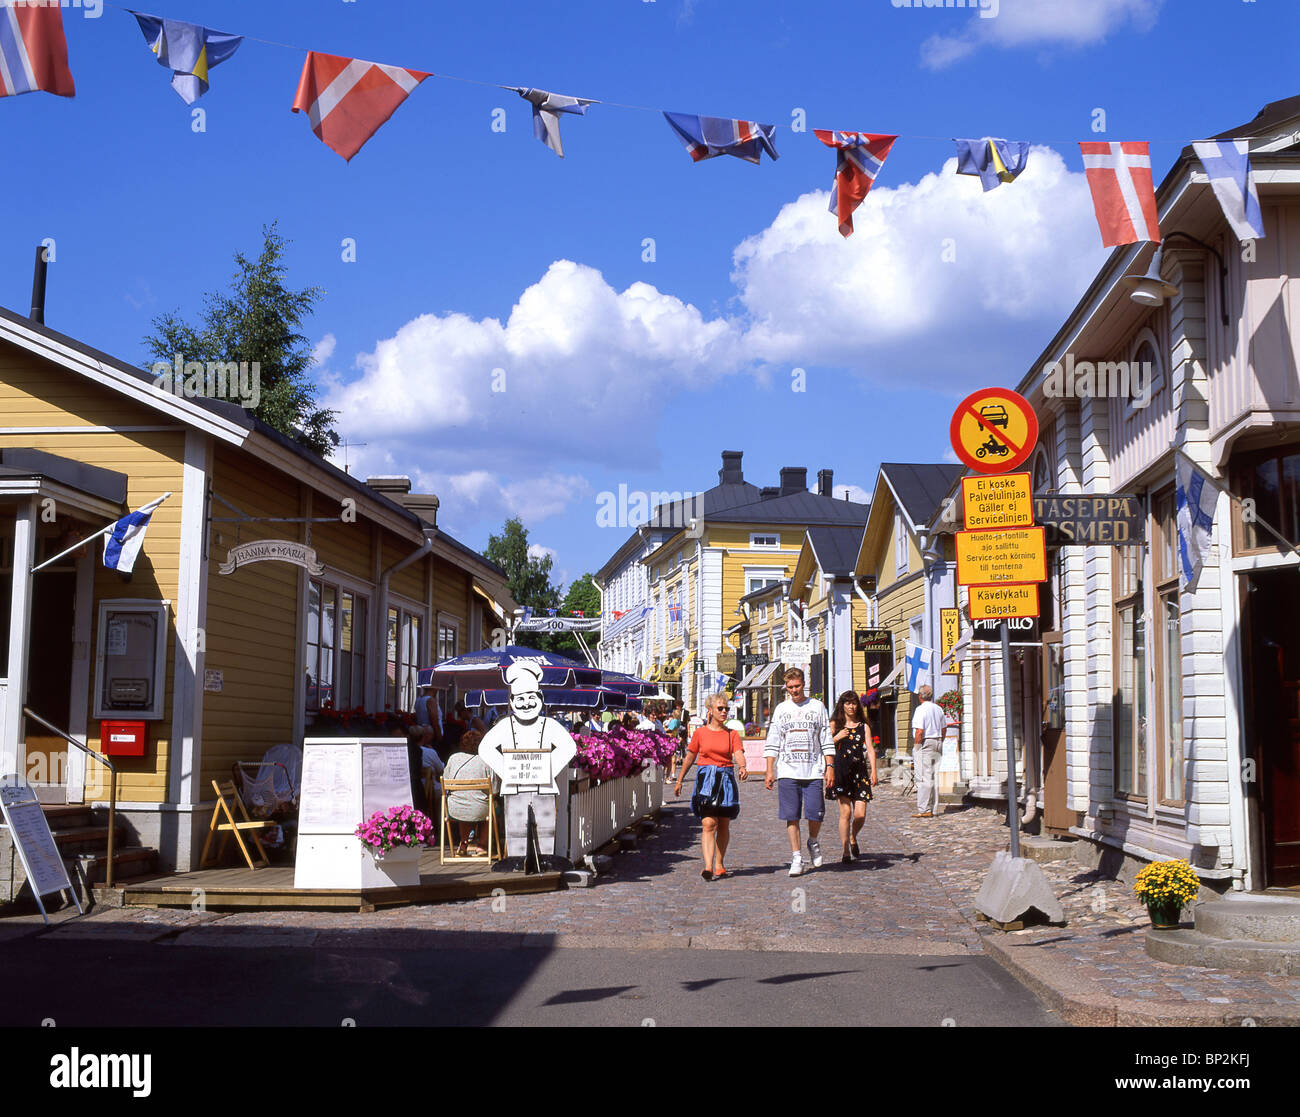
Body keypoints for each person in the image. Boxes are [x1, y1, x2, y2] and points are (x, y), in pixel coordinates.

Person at [764, 667, 834, 876]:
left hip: (813, 769)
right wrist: (769, 770)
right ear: (786, 688)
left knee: (815, 813)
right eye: (790, 687)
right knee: (791, 815)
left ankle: (812, 841)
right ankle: (797, 857)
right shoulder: (781, 709)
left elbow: (826, 738)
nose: (794, 690)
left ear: (804, 684)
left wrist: (830, 766)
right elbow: (773, 741)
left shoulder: (817, 706)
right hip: (787, 769)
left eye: (797, 686)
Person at [674, 692, 747, 881]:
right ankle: (707, 866)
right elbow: (690, 756)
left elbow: (738, 752)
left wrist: (743, 766)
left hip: (725, 779)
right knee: (708, 823)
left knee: (723, 823)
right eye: (720, 708)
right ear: (710, 710)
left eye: (726, 709)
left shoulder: (731, 734)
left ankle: (719, 863)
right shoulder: (700, 733)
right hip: (706, 779)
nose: (724, 712)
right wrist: (680, 779)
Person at [829, 690, 877, 862]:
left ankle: (853, 837)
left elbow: (870, 749)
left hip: (860, 772)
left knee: (860, 815)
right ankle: (845, 851)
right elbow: (825, 745)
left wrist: (874, 771)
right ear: (842, 705)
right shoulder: (835, 724)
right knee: (846, 813)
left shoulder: (863, 726)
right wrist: (837, 738)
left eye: (854, 703)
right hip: (841, 772)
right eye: (848, 703)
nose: (851, 706)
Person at [443, 728, 498, 855]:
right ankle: (482, 846)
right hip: (480, 808)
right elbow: (494, 790)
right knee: (492, 807)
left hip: (454, 809)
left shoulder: (453, 758)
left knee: (465, 805)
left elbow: (445, 783)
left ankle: (463, 843)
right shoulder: (486, 761)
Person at [911, 683, 947, 818]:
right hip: (938, 741)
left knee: (923, 776)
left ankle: (924, 809)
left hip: (926, 742)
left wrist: (916, 748)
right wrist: (940, 741)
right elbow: (944, 729)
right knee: (934, 776)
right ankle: (934, 808)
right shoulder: (938, 709)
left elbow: (919, 731)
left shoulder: (920, 710)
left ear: (920, 696)